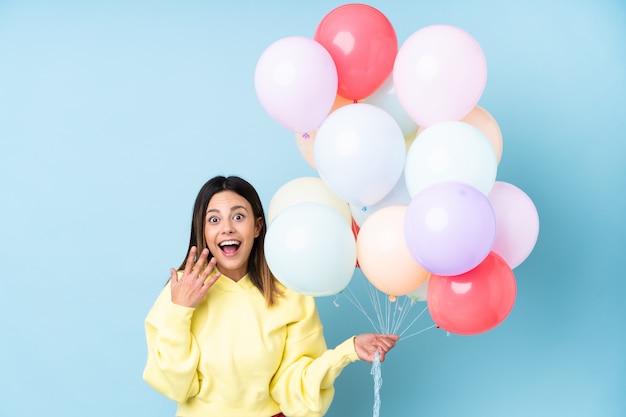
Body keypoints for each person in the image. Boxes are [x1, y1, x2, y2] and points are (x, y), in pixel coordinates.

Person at [143, 175, 399, 417]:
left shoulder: (288, 291)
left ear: (257, 227)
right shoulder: (180, 289)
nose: (227, 229)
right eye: (214, 220)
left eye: (238, 217)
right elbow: (174, 386)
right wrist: (179, 310)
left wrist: (348, 350)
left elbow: (294, 388)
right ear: (203, 231)